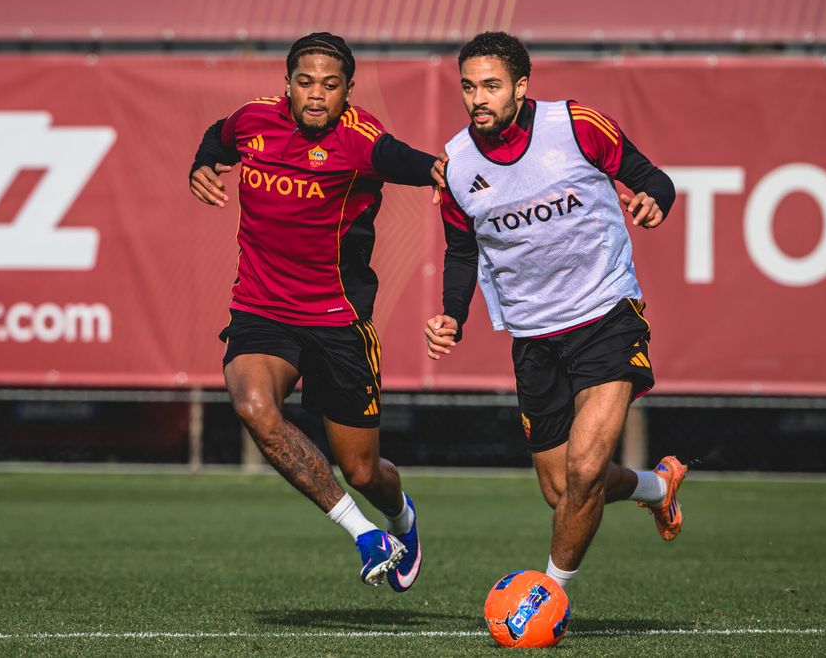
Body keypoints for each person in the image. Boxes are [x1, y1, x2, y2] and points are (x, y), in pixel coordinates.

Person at [424, 31, 686, 590]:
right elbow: (462, 251)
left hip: (605, 315)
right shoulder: (457, 165)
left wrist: (655, 200)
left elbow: (653, 179)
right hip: (533, 337)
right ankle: (657, 487)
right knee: (562, 490)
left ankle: (546, 597)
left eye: (491, 86)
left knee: (585, 471)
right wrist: (453, 315)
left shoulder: (576, 126)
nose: (478, 99)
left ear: (521, 86)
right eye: (468, 87)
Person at [189, 32, 431, 590]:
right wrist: (202, 163)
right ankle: (364, 534)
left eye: (329, 84)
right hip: (261, 309)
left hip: (337, 321)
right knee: (254, 406)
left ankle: (400, 519)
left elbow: (412, 162)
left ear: (348, 90)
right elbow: (217, 137)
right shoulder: (253, 120)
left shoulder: (361, 140)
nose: (316, 94)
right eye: (305, 82)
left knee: (363, 471)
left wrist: (444, 173)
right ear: (287, 85)